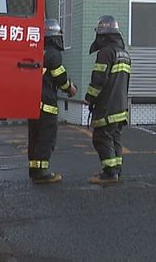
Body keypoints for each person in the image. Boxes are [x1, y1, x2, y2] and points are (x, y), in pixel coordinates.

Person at [28, 19, 77, 184]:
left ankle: (35, 170)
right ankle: (42, 173)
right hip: (47, 105)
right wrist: (70, 88)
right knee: (46, 138)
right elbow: (60, 77)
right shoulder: (53, 54)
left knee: (34, 138)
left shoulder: (36, 50)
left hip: (34, 103)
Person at [85, 15, 131, 186]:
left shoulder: (105, 53)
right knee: (115, 137)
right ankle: (116, 169)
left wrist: (89, 98)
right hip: (120, 106)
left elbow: (99, 79)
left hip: (107, 106)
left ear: (103, 35)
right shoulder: (124, 54)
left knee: (101, 138)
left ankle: (109, 173)